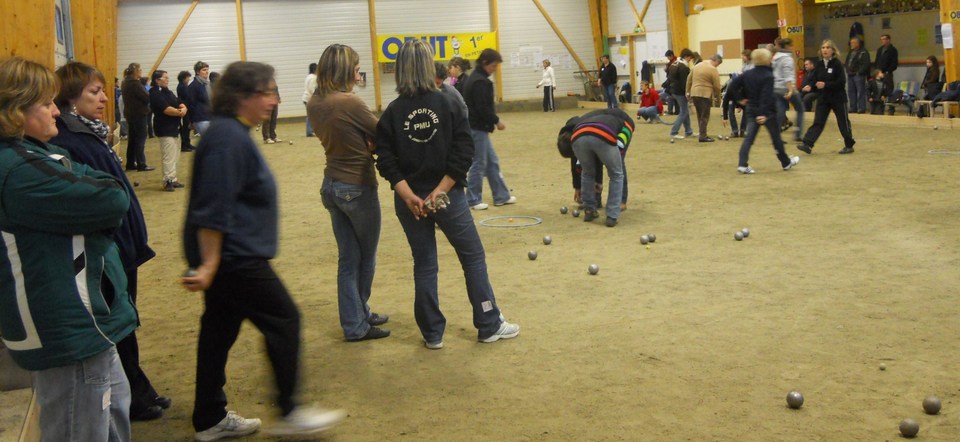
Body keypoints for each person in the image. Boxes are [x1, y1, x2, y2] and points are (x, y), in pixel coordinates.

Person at [181, 61, 346, 440]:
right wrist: (209, 263)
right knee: (284, 319)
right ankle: (289, 411)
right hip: (234, 258)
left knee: (218, 331)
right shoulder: (226, 138)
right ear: (243, 97)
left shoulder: (232, 133)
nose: (274, 100)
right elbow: (212, 205)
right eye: (268, 93)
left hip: (230, 255)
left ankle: (209, 417)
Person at [0, 56, 136, 442]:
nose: (56, 110)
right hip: (66, 326)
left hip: (83, 321)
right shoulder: (17, 170)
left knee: (109, 415)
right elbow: (111, 198)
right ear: (15, 111)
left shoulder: (32, 156)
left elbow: (101, 184)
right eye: (46, 103)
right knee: (80, 427)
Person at [375, 39, 520, 349]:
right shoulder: (449, 103)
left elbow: (386, 159)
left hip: (410, 201)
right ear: (430, 66)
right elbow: (464, 151)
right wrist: (439, 193)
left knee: (425, 263)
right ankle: (488, 323)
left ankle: (432, 333)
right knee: (472, 257)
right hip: (447, 197)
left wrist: (408, 195)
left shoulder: (393, 111)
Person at [49, 61, 171, 422]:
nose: (103, 98)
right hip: (108, 250)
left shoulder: (88, 132)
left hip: (122, 245)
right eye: (94, 92)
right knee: (117, 325)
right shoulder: (70, 139)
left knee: (125, 321)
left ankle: (138, 389)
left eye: (102, 91)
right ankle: (133, 397)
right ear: (71, 98)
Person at [308, 44, 389, 342]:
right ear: (344, 70)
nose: (359, 74)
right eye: (356, 69)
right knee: (365, 257)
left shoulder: (315, 101)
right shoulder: (350, 102)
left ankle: (358, 315)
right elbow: (384, 134)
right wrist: (371, 143)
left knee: (348, 258)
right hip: (357, 186)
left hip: (331, 184)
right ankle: (356, 322)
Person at [725, 49, 800, 174]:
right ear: (768, 60)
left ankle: (742, 164)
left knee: (749, 138)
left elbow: (732, 86)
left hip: (751, 109)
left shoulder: (747, 74)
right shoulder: (769, 76)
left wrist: (739, 99)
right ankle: (786, 162)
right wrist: (763, 114)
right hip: (767, 112)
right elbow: (766, 95)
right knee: (776, 137)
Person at [463, 48, 516, 210]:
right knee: (479, 163)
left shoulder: (477, 78)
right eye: (493, 66)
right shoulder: (480, 82)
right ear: (485, 63)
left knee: (491, 162)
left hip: (479, 128)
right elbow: (482, 108)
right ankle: (472, 199)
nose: (494, 70)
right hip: (476, 128)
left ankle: (501, 196)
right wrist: (497, 121)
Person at [563, 108, 633, 227]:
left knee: (587, 173)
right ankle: (612, 215)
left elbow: (581, 162)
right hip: (603, 135)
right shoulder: (627, 122)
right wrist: (611, 162)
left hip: (578, 137)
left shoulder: (585, 119)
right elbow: (619, 148)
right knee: (616, 174)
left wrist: (588, 182)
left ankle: (589, 209)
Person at [798, 39, 856, 155]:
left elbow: (841, 82)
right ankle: (807, 144)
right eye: (823, 47)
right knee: (818, 121)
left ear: (833, 50)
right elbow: (814, 79)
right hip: (823, 98)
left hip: (838, 98)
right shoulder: (818, 65)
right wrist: (810, 86)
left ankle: (849, 145)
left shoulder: (837, 64)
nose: (825, 50)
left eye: (828, 47)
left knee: (843, 122)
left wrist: (826, 84)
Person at [149, 69, 188, 191]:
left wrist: (183, 107)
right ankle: (168, 180)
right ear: (157, 80)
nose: (167, 80)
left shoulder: (167, 91)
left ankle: (173, 177)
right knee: (169, 155)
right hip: (165, 128)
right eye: (164, 78)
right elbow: (165, 108)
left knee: (175, 155)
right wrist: (179, 113)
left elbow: (178, 101)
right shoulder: (154, 93)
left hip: (175, 127)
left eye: (167, 77)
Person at [121, 62, 153, 171]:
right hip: (139, 114)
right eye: (140, 70)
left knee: (133, 139)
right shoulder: (135, 84)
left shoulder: (125, 83)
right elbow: (146, 97)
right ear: (136, 72)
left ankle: (130, 163)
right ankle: (141, 163)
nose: (141, 72)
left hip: (130, 114)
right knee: (140, 139)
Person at [686, 54, 722, 142]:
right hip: (705, 94)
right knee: (705, 115)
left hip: (694, 93)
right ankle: (703, 136)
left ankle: (702, 133)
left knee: (699, 115)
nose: (717, 66)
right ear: (716, 61)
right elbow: (717, 86)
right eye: (718, 64)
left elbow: (689, 79)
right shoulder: (713, 69)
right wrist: (718, 97)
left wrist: (687, 92)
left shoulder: (697, 66)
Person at [773, 38, 804, 142]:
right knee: (800, 109)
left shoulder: (775, 57)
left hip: (776, 87)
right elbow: (788, 75)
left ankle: (776, 136)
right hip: (786, 87)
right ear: (787, 46)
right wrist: (791, 90)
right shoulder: (787, 58)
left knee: (780, 111)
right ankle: (798, 133)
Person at [668, 48, 693, 139]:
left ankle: (688, 131)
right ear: (686, 56)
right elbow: (684, 82)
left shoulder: (674, 64)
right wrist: (688, 93)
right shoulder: (683, 67)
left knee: (684, 110)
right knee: (684, 112)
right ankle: (674, 132)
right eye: (690, 58)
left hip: (673, 90)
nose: (690, 60)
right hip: (680, 92)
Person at [845, 37, 870, 114]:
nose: (851, 44)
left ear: (858, 43)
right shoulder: (850, 52)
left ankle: (861, 108)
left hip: (858, 75)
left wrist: (859, 72)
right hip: (850, 74)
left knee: (860, 91)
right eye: (851, 43)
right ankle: (853, 107)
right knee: (851, 91)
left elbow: (866, 64)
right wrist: (847, 69)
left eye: (853, 43)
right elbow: (847, 62)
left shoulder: (863, 52)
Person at [186, 61, 212, 135]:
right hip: (201, 119)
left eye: (207, 69)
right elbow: (190, 105)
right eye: (204, 70)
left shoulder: (206, 84)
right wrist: (192, 121)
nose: (207, 72)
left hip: (209, 117)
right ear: (197, 72)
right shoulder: (194, 86)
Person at [176, 70, 196, 151]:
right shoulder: (182, 87)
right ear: (184, 78)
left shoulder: (184, 86)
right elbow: (188, 97)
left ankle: (187, 143)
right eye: (188, 77)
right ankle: (184, 145)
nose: (188, 79)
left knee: (187, 128)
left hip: (187, 108)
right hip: (185, 109)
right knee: (185, 128)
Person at [302, 62, 317, 137]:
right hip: (309, 98)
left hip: (306, 98)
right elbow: (312, 89)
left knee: (311, 115)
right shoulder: (313, 78)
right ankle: (309, 131)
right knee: (311, 115)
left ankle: (311, 130)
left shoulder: (308, 76)